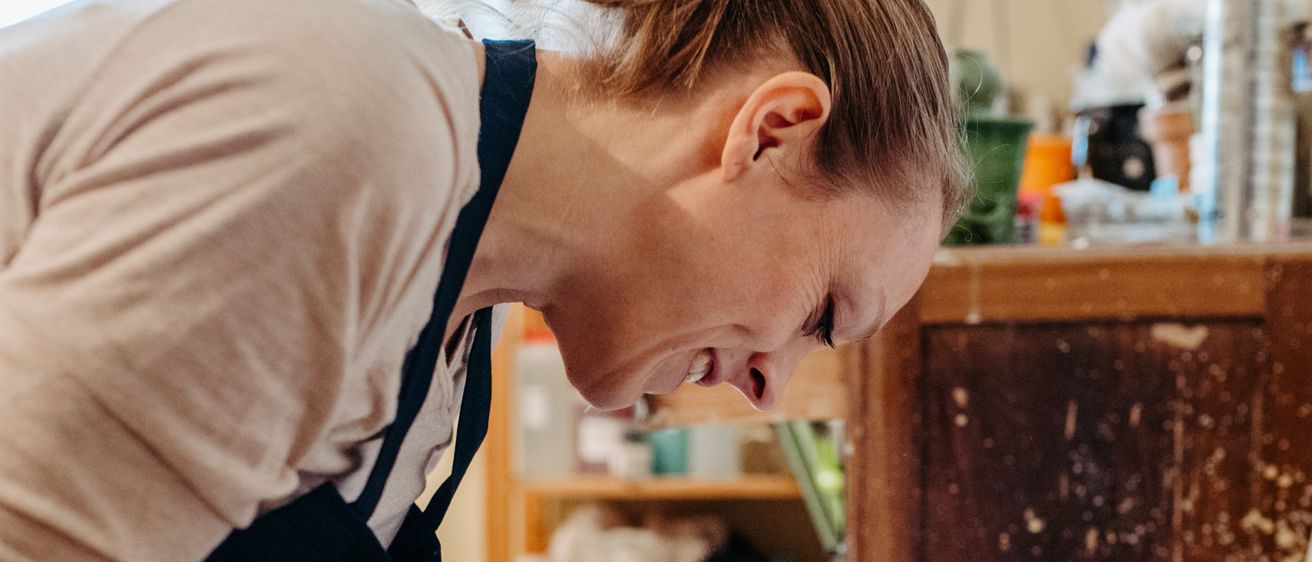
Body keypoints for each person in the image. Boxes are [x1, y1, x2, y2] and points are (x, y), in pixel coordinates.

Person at [0, 0, 969, 560]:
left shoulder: (455, 330)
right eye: (822, 314)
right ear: (772, 133)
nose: (769, 388)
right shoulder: (353, 134)